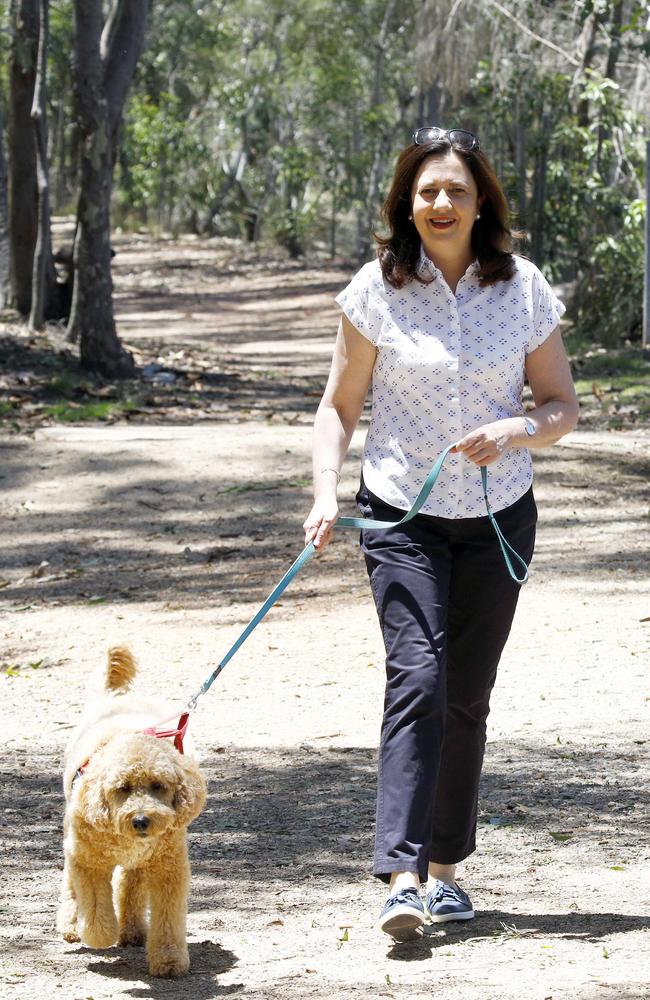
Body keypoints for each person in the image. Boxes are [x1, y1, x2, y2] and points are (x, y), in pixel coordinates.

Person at [303, 126, 579, 939]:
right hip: (401, 515)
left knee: (466, 695)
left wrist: (516, 430)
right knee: (417, 678)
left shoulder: (522, 288)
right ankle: (400, 874)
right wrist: (323, 494)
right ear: (407, 205)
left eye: (457, 189)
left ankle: (448, 874)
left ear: (481, 200)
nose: (442, 203)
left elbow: (560, 406)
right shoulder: (375, 291)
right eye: (427, 191)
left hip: (498, 519)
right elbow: (338, 407)